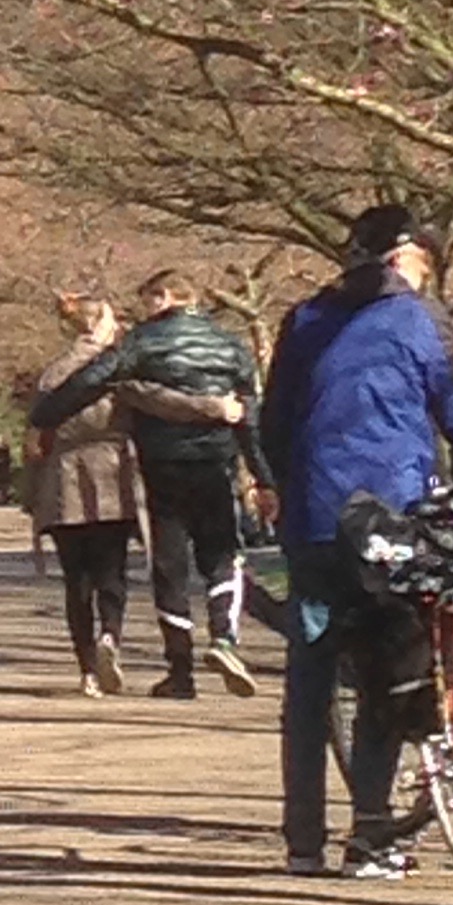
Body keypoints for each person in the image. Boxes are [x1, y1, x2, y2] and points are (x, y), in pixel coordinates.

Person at [261, 204, 453, 879]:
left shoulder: (304, 319)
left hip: (317, 518)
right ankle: (371, 834)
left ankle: (303, 840)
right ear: (403, 257)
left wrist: (285, 485)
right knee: (388, 672)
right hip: (390, 519)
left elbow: (275, 420)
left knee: (311, 678)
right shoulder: (417, 318)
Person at [29, 269, 267, 698]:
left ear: (165, 297)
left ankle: (180, 671)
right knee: (223, 555)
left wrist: (47, 413)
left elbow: (93, 379)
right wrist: (264, 476)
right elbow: (248, 415)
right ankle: (224, 637)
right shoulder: (231, 345)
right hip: (216, 463)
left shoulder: (142, 342)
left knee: (169, 566)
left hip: (162, 464)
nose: (143, 310)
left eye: (147, 300)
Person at [27, 295, 144, 694]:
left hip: (64, 477)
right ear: (102, 324)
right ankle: (110, 633)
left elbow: (36, 436)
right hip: (113, 472)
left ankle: (87, 668)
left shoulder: (53, 373)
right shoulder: (120, 368)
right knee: (111, 569)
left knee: (76, 579)